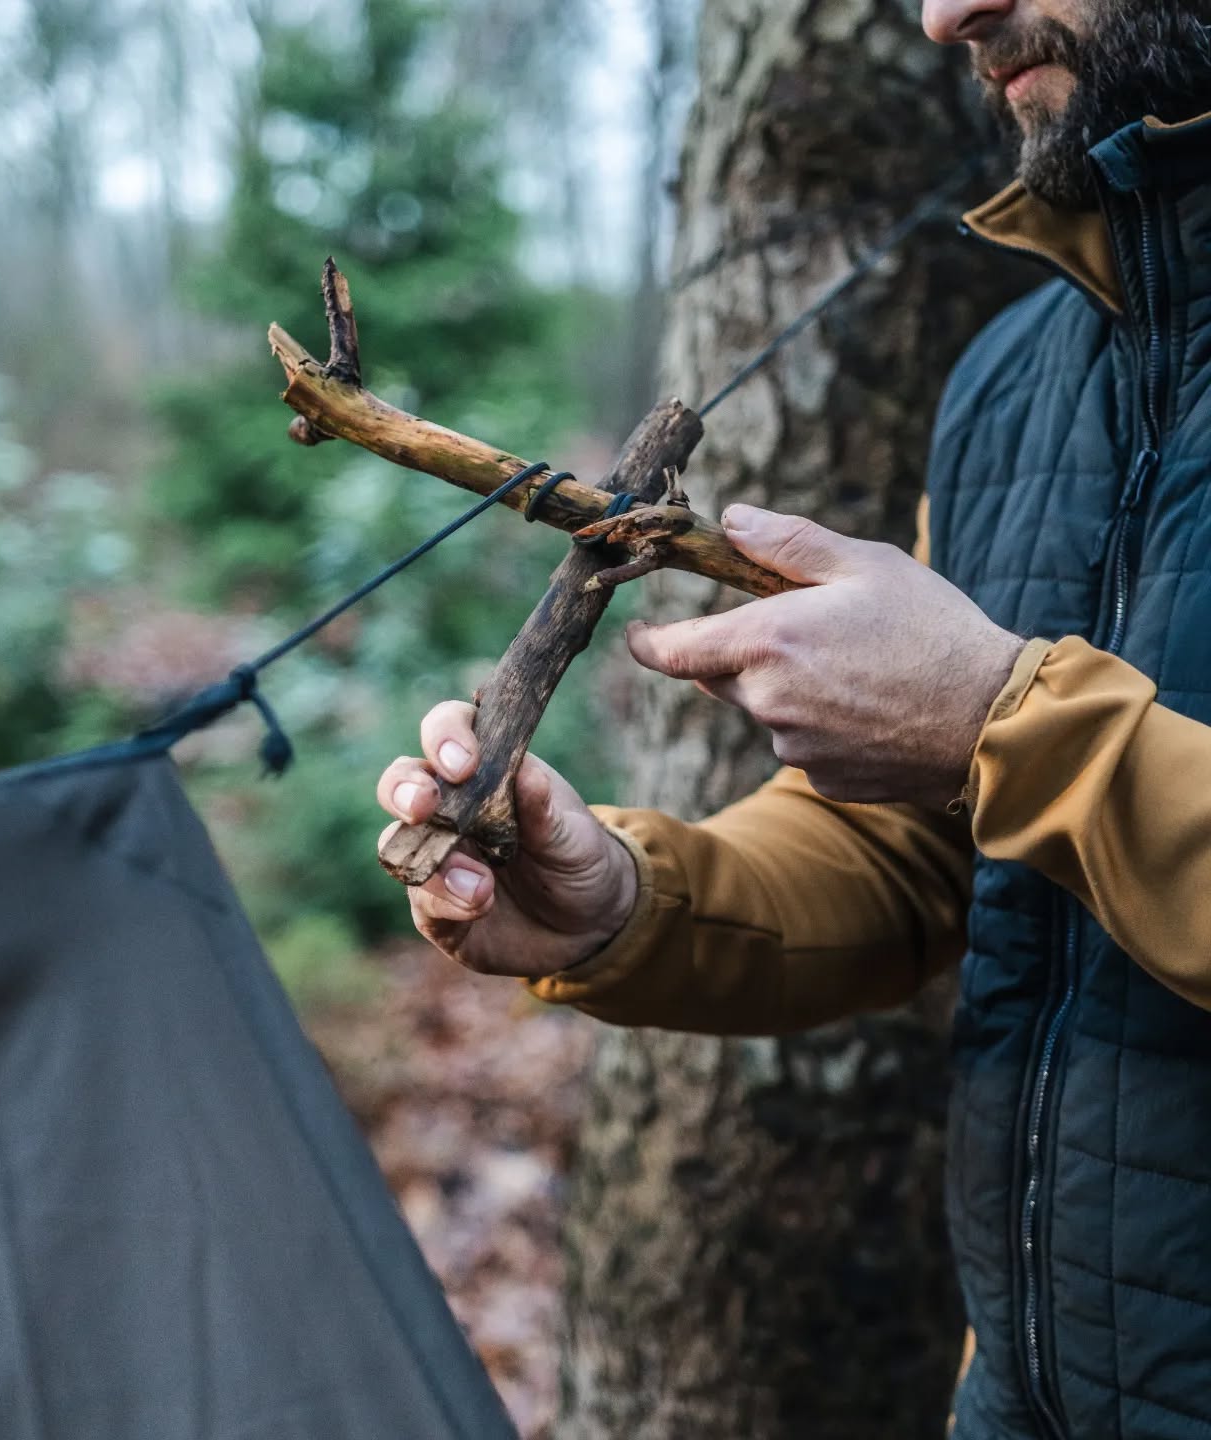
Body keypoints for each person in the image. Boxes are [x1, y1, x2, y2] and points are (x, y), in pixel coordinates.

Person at [375, 1, 1211, 1435]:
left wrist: (1003, 718)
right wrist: (625, 904)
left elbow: (1018, 751)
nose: (947, 13)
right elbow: (935, 854)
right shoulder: (1016, 379)